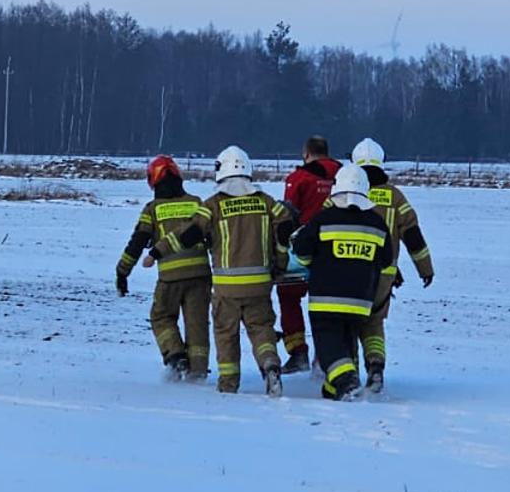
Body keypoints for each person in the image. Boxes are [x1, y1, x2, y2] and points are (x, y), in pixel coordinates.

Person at [149, 146, 295, 396]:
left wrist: (157, 252)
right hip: (260, 284)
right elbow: (285, 225)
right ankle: (270, 365)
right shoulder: (266, 202)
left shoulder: (213, 206)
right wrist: (279, 263)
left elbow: (188, 233)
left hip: (227, 288)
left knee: (226, 335)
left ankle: (228, 384)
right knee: (261, 330)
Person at [289, 163, 395, 401]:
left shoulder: (323, 219)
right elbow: (387, 260)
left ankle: (347, 381)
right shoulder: (377, 224)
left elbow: (302, 252)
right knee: (347, 345)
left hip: (326, 300)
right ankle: (333, 389)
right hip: (361, 301)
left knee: (330, 349)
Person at [349, 138, 435, 393]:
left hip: (349, 272)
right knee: (374, 324)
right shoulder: (395, 196)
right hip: (384, 276)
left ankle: (348, 374)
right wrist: (425, 269)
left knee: (349, 324)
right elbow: (413, 235)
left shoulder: (347, 191)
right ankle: (375, 367)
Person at [117, 155, 212, 381]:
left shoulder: (153, 209)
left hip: (170, 277)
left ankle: (176, 356)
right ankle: (197, 371)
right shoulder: (197, 203)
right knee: (197, 323)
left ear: (153, 180)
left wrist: (122, 272)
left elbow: (138, 242)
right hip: (200, 275)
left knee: (161, 316)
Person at [276, 135, 342, 373]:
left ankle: (298, 352)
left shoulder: (299, 178)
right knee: (327, 304)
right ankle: (325, 356)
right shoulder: (343, 175)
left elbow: (288, 214)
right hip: (336, 251)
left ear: (306, 153)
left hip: (303, 249)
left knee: (288, 296)